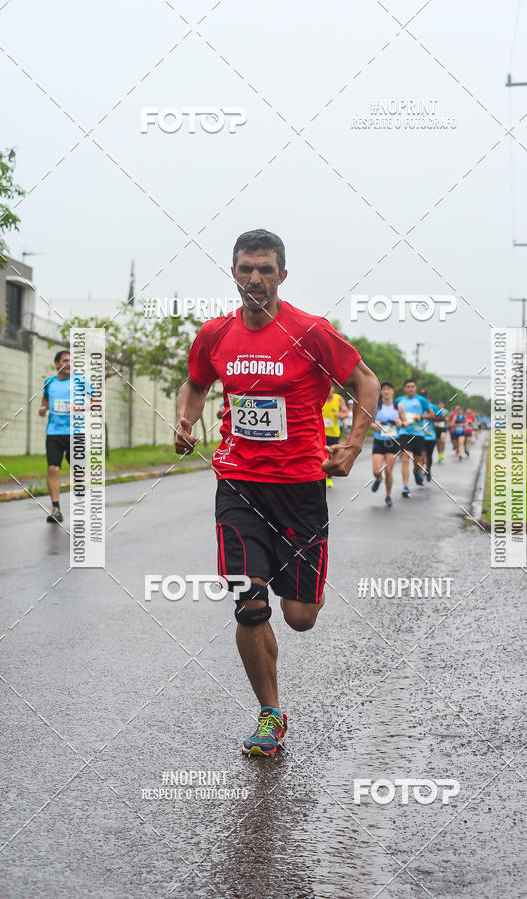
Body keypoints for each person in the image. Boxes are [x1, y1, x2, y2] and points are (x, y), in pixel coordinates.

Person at [174, 229, 379, 757]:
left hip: (301, 488)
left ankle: (303, 591)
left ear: (282, 275)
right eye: (246, 269)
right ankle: (270, 714)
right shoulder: (216, 334)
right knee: (249, 602)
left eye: (265, 269)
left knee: (300, 617)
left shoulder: (310, 331)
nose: (255, 279)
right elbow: (196, 382)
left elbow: (365, 382)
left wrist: (353, 447)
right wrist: (186, 418)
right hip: (239, 482)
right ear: (234, 273)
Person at [38, 350, 93, 523]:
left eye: (71, 360)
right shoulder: (49, 383)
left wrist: (82, 407)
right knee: (53, 469)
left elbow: (96, 400)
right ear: (57, 364)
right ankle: (56, 509)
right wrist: (42, 409)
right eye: (65, 360)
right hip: (54, 432)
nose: (69, 363)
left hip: (76, 432)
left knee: (78, 472)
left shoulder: (81, 380)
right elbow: (45, 402)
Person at [395, 378, 433, 496]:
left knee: (418, 461)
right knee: (405, 458)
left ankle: (417, 472)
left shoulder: (421, 400)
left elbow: (432, 415)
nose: (410, 389)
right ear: (404, 388)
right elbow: (393, 415)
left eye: (412, 386)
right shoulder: (399, 400)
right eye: (408, 387)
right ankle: (406, 487)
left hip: (418, 434)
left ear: (415, 388)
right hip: (404, 432)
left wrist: (420, 417)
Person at [370, 381, 406, 507]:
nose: (386, 391)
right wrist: (375, 425)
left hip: (393, 441)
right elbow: (369, 421)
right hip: (379, 441)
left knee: (389, 471)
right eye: (384, 389)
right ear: (380, 392)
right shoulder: (376, 405)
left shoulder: (398, 406)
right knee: (376, 471)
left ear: (393, 391)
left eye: (388, 389)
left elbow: (405, 423)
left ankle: (388, 495)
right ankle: (378, 479)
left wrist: (400, 423)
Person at [322, 386, 348, 487]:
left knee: (331, 455)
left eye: (330, 388)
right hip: (322, 432)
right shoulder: (321, 396)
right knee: (322, 454)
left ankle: (329, 477)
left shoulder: (338, 399)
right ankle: (322, 475)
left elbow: (345, 412)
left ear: (333, 389)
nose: (328, 390)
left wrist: (341, 415)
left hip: (334, 432)